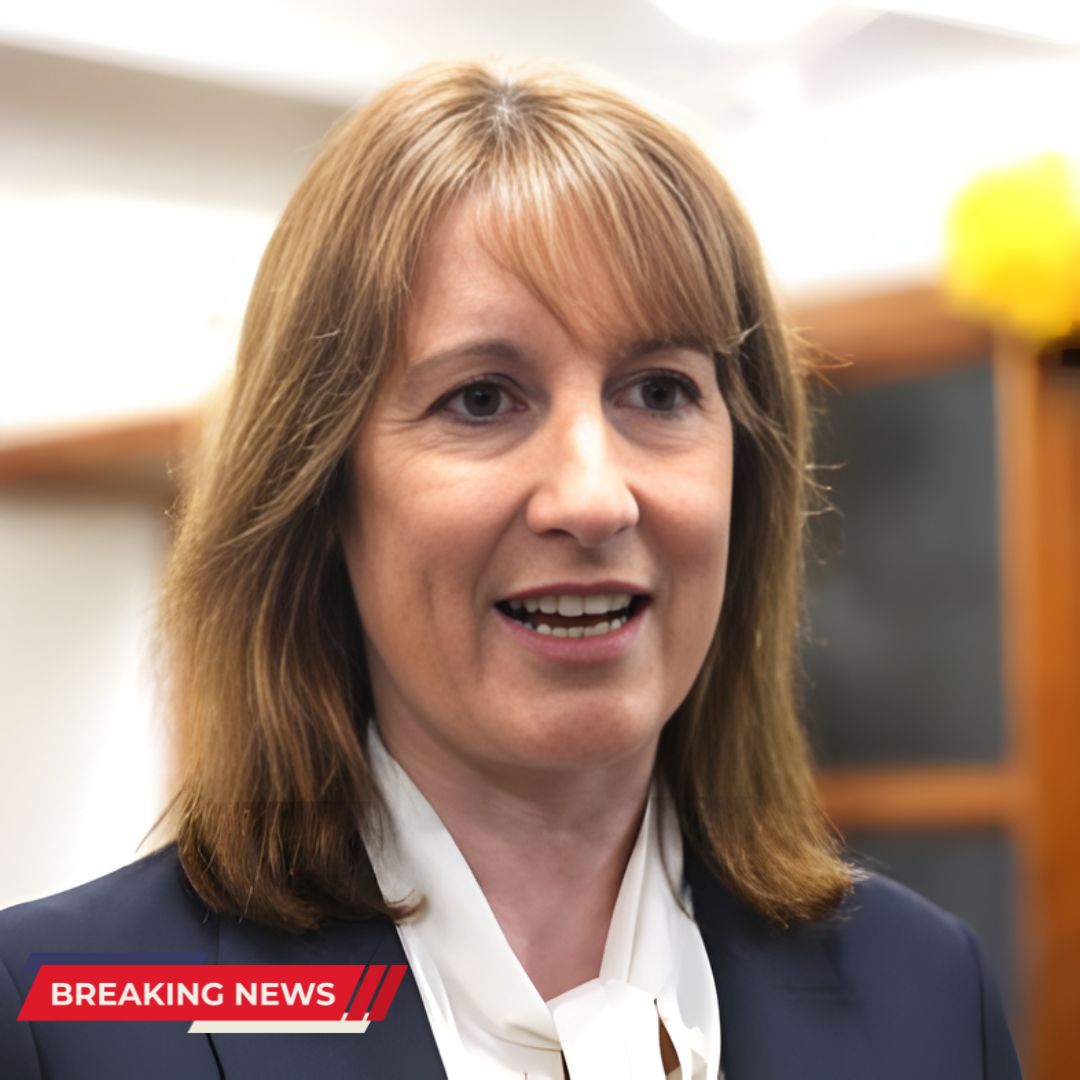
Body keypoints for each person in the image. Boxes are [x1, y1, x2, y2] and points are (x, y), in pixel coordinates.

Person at [0, 61, 1020, 1079]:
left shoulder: (928, 994)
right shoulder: (64, 1014)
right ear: (321, 492)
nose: (594, 498)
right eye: (482, 399)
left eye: (659, 392)